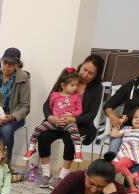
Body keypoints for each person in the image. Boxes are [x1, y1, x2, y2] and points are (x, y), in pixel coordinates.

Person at [35, 55, 105, 187]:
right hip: (57, 121)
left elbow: (92, 114)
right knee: (43, 136)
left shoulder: (97, 88)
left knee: (70, 138)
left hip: (80, 124)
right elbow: (47, 104)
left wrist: (73, 119)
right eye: (84, 69)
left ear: (96, 75)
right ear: (81, 65)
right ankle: (45, 174)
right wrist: (50, 117)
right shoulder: (68, 77)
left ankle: (62, 176)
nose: (85, 74)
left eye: (90, 73)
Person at [25, 67, 84, 164]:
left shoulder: (76, 97)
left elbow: (79, 110)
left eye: (76, 85)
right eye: (72, 85)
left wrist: (71, 115)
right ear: (63, 85)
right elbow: (50, 107)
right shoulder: (54, 95)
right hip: (54, 124)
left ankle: (78, 152)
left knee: (75, 131)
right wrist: (54, 118)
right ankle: (32, 148)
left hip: (67, 124)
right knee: (38, 128)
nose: (75, 87)